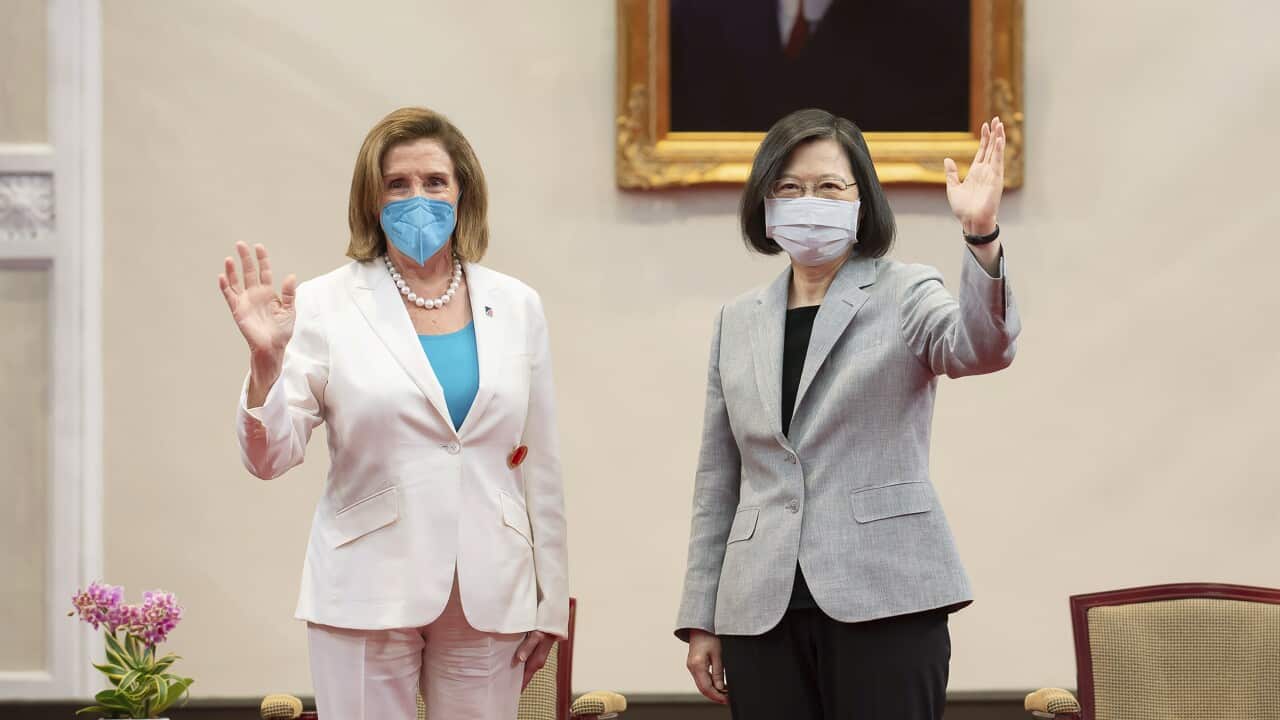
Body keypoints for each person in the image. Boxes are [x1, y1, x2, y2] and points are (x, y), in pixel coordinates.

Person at [217, 107, 568, 720]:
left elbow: (541, 462)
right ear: (371, 200)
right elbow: (270, 458)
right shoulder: (323, 304)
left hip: (492, 588)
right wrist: (266, 363)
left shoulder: (517, 305)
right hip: (365, 588)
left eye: (434, 182)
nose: (418, 198)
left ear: (463, 192)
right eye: (397, 185)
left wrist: (552, 596)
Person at [675, 108, 1020, 719]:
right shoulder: (737, 320)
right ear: (764, 203)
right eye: (789, 187)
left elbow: (982, 348)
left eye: (830, 186)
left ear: (863, 201)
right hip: (759, 608)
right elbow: (717, 479)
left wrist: (980, 233)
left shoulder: (905, 291)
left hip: (886, 595)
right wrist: (702, 616)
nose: (808, 202)